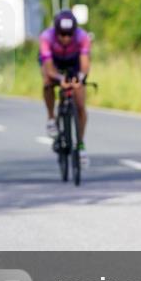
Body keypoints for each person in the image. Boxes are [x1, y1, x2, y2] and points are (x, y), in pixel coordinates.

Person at [39, 10, 91, 166]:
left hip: (73, 61)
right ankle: (51, 118)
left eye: (69, 34)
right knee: (48, 82)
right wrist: (60, 79)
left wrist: (80, 78)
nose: (66, 38)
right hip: (53, 62)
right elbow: (48, 67)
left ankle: (80, 144)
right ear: (56, 31)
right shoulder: (46, 37)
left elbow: (85, 64)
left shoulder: (82, 37)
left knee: (80, 103)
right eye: (62, 34)